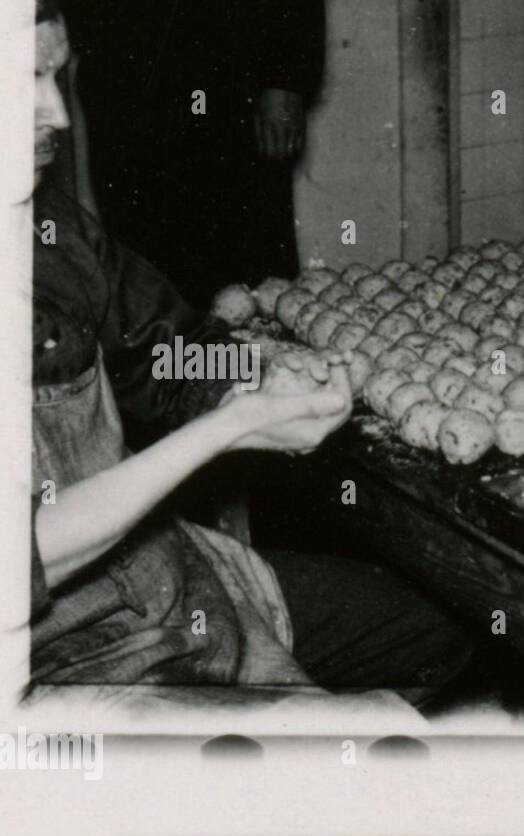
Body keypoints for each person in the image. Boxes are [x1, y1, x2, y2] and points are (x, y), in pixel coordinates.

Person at [24, 1, 471, 709]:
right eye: (23, 80)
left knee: (443, 631)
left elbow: (160, 356)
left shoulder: (47, 229)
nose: (59, 113)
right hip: (65, 666)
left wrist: (251, 376)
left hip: (162, 579)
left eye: (55, 74)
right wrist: (232, 425)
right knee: (350, 754)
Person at [61, 0, 324, 309]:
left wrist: (285, 77)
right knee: (140, 269)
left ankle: (245, 355)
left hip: (231, 81)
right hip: (125, 78)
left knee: (248, 279)